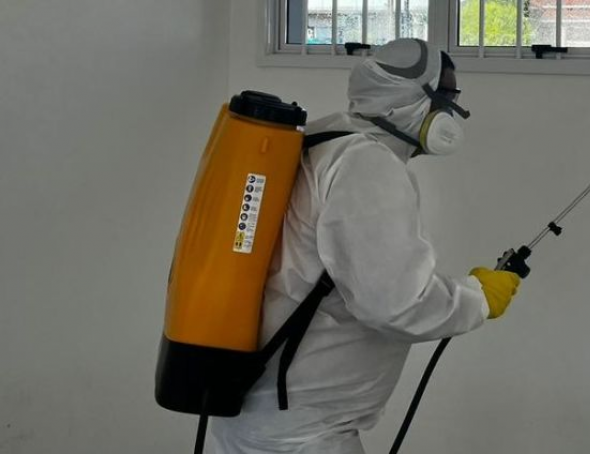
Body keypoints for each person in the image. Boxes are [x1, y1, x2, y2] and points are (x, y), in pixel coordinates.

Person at [207, 38, 521, 454]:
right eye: (447, 97)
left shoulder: (322, 139)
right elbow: (394, 302)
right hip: (302, 431)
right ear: (412, 100)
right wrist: (478, 298)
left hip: (257, 411)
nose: (451, 112)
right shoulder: (366, 164)